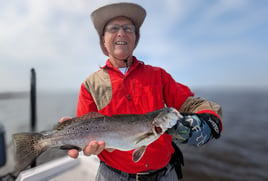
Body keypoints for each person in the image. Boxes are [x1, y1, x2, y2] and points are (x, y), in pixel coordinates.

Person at [62, 2, 222, 181]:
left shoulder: (159, 76)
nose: (121, 33)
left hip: (165, 174)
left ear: (135, 38)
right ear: (103, 40)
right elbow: (85, 131)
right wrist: (77, 142)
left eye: (128, 29)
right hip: (112, 176)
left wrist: (208, 121)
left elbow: (193, 104)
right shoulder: (90, 85)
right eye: (113, 28)